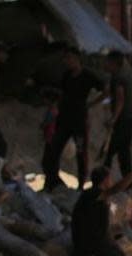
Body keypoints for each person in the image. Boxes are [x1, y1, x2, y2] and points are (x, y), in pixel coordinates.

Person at [44, 48, 105, 190]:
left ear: (77, 59)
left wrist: (92, 104)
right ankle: (51, 181)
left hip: (79, 120)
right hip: (64, 119)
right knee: (54, 149)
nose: (67, 62)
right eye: (66, 59)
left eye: (69, 58)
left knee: (81, 152)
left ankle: (81, 184)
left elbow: (105, 89)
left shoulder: (88, 76)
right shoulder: (66, 76)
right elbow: (62, 94)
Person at [103, 52, 132, 179]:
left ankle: (104, 180)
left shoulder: (117, 78)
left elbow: (120, 100)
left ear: (113, 64)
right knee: (123, 153)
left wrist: (113, 119)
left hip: (123, 121)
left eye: (107, 62)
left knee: (110, 151)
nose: (104, 64)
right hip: (129, 119)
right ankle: (127, 182)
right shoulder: (125, 77)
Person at [39, 88, 60, 180]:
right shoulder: (55, 110)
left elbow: (46, 123)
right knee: (50, 161)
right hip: (52, 138)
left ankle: (51, 180)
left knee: (47, 162)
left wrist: (43, 125)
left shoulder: (52, 111)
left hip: (51, 138)